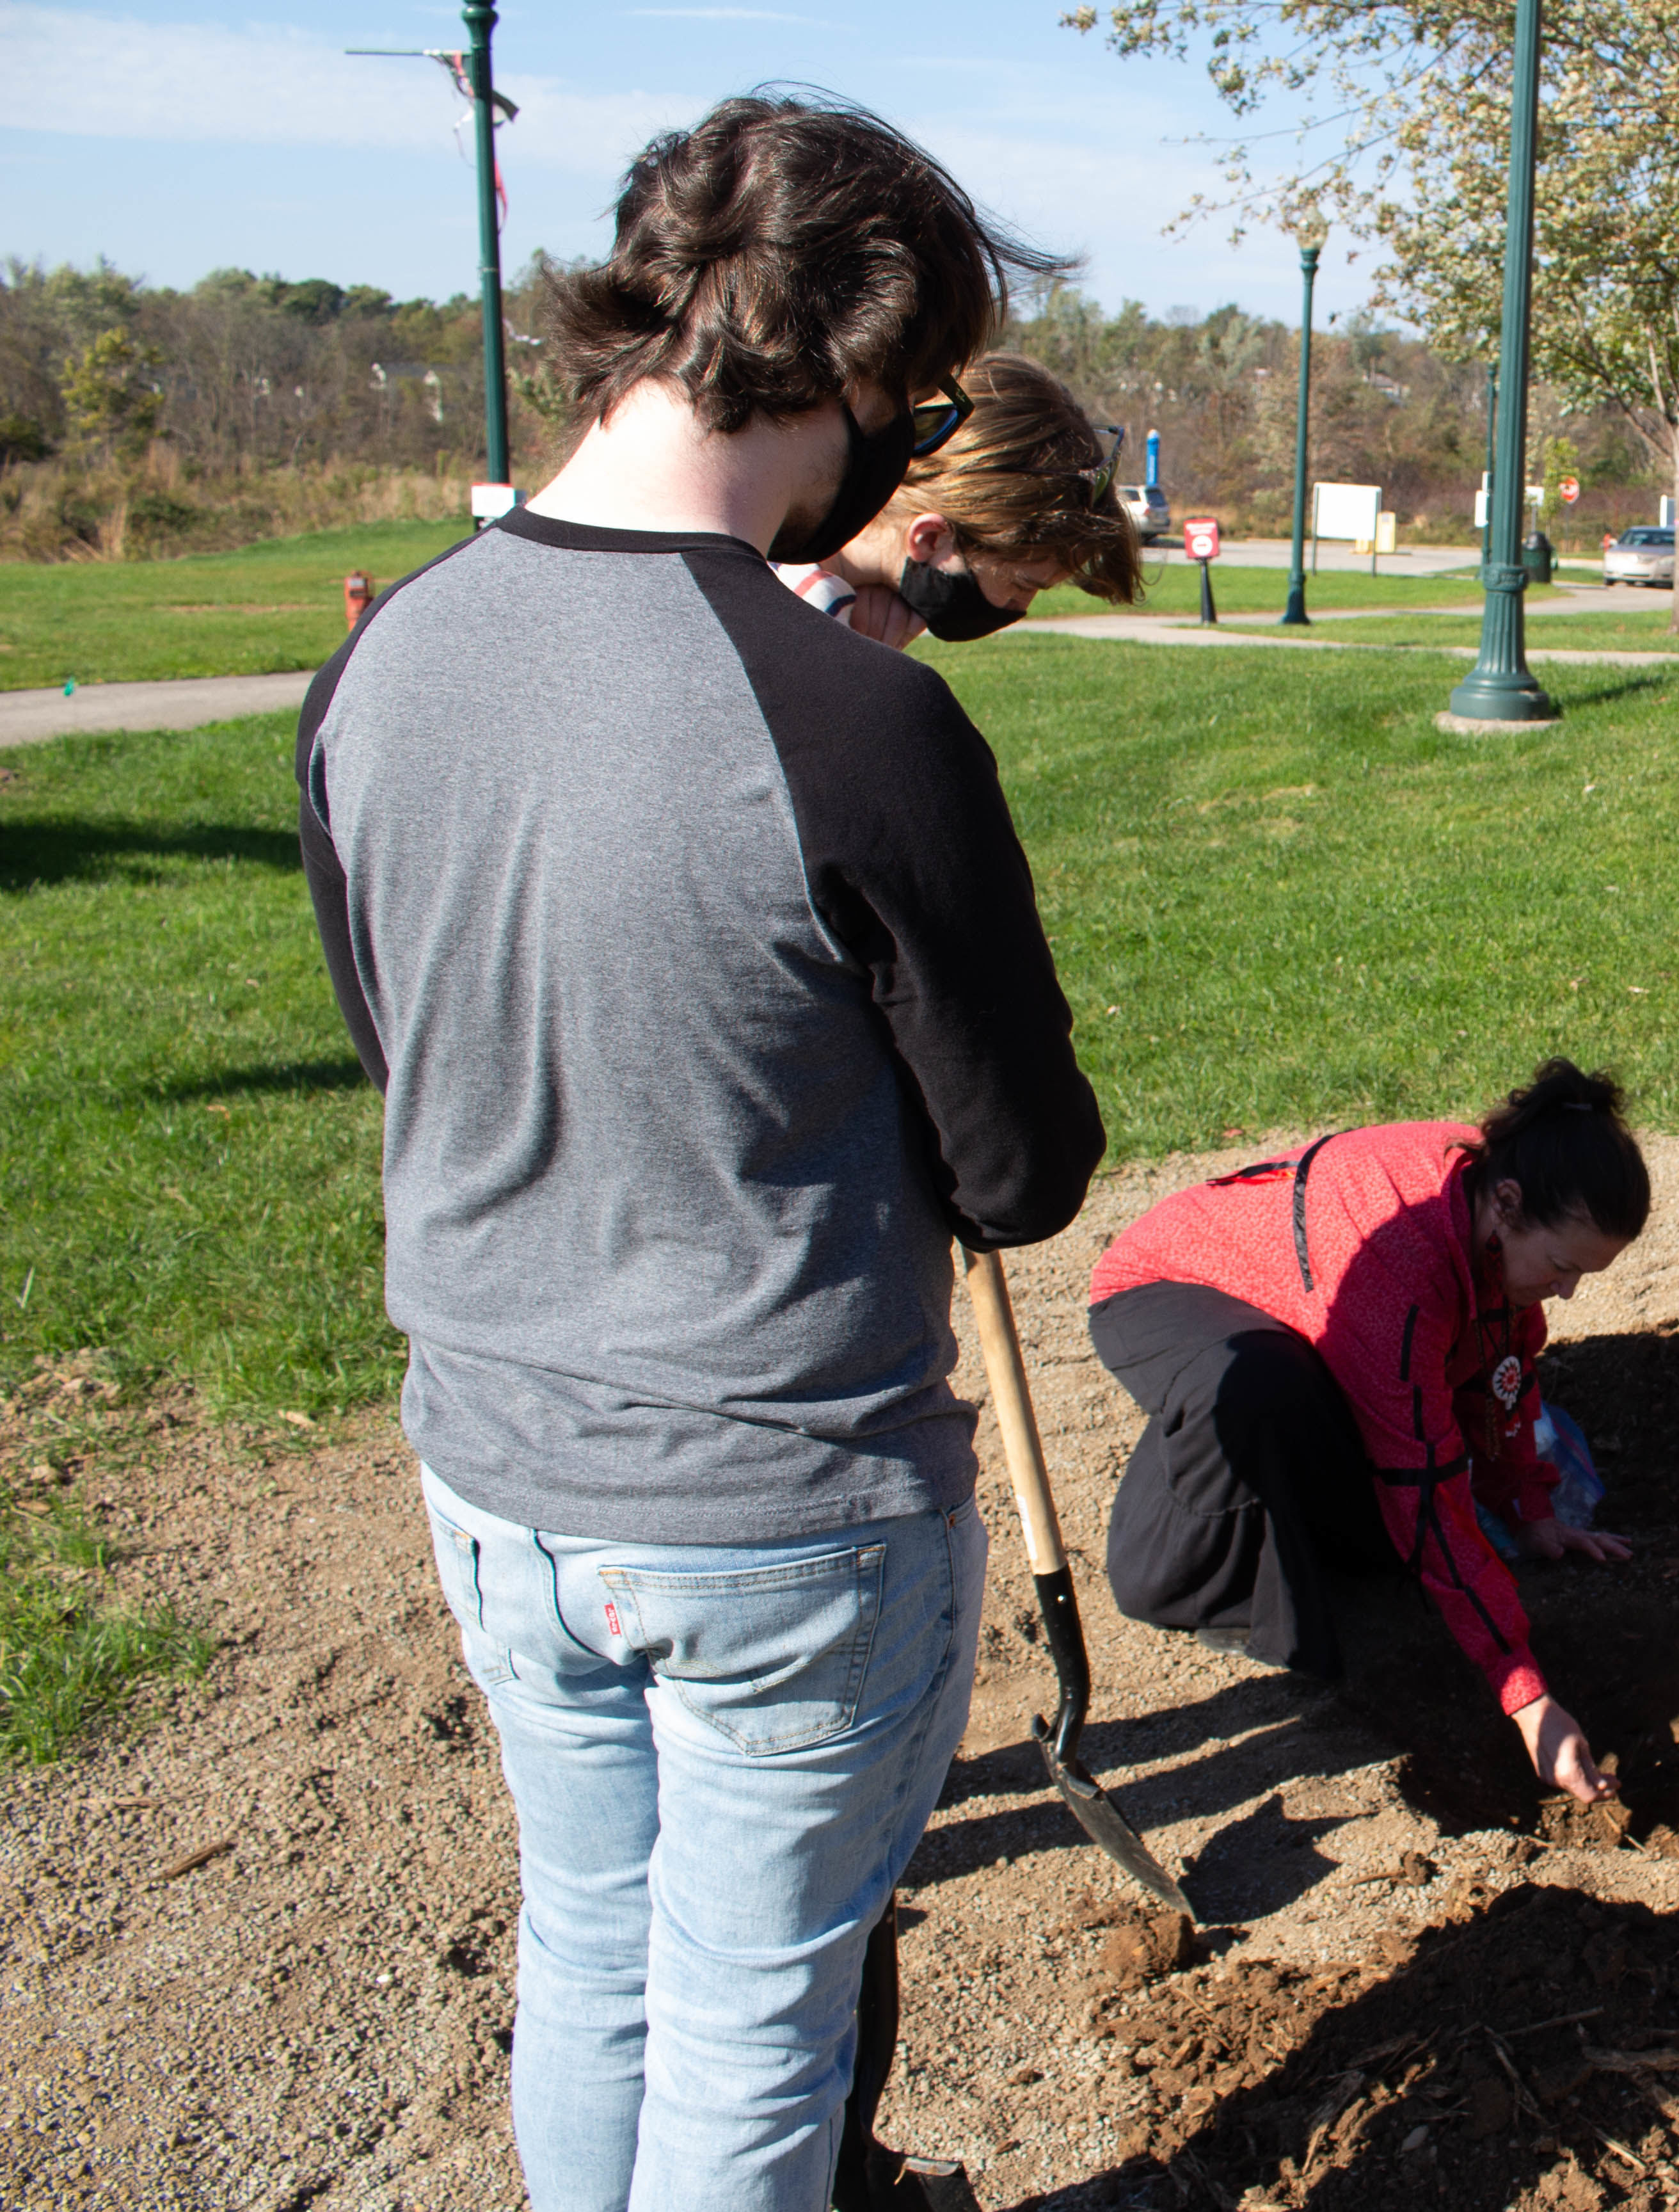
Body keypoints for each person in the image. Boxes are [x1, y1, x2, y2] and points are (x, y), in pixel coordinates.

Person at [294, 95, 1103, 2212]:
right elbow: (1017, 1171)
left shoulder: (380, 661)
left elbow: (408, 1049)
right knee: (750, 2038)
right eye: (916, 393)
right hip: (777, 1513)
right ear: (855, 367)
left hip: (489, 1467)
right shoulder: (856, 726)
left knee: (595, 1953)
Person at [1084, 1061, 1648, 1804]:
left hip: (1314, 1319)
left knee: (1383, 1522)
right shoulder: (1401, 1276)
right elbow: (1425, 1491)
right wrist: (1526, 1695)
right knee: (1262, 1391)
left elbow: (1503, 1368)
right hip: (1180, 1289)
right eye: (1562, 1268)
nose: (1569, 1291)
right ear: (1507, 1206)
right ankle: (1193, 1576)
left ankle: (1279, 1489)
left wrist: (1531, 1512)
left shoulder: (1502, 1200)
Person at [774, 349, 1138, 645]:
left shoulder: (774, 554)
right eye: (1021, 586)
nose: (1019, 609)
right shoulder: (807, 630)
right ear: (930, 538)